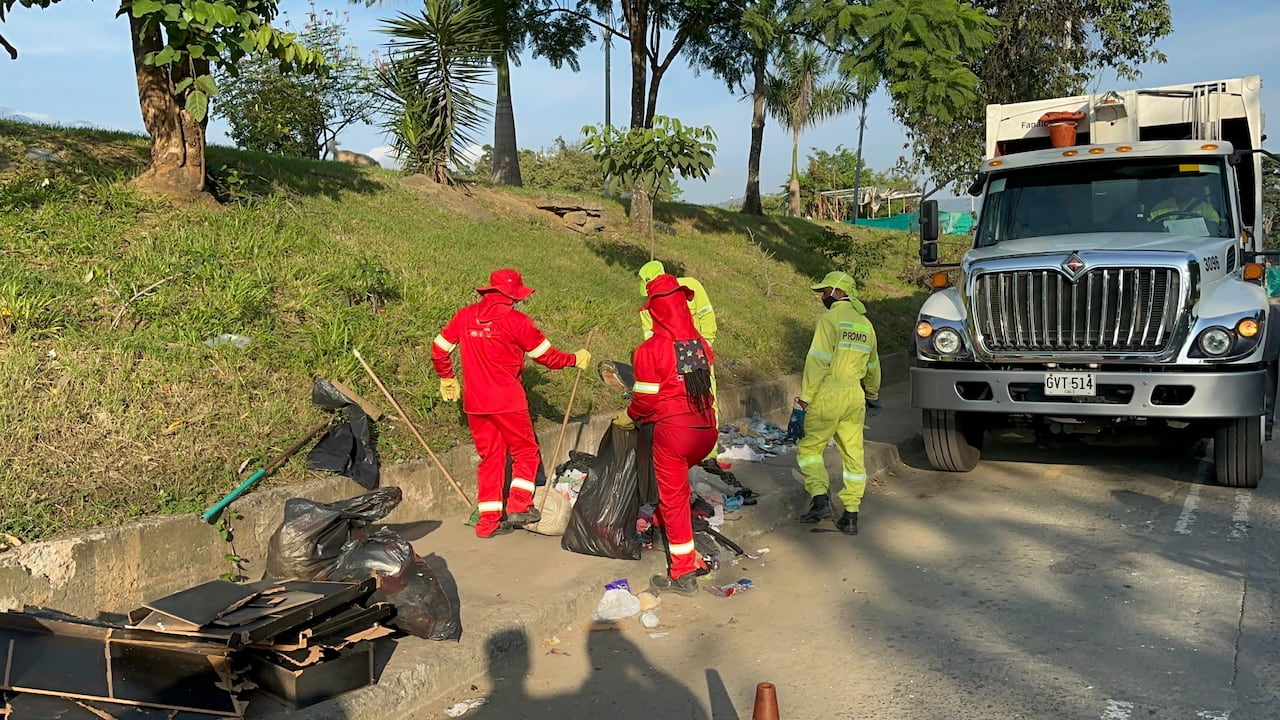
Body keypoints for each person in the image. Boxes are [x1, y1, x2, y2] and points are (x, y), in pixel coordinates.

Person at [431, 269, 591, 539]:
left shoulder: (465, 316)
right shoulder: (518, 321)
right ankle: (519, 505)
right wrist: (574, 359)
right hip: (508, 401)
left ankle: (488, 522)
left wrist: (447, 377)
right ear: (512, 296)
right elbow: (547, 357)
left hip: (475, 403)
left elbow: (439, 348)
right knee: (525, 451)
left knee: (490, 458)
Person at [614, 273, 718, 596]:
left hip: (674, 435)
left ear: (655, 311)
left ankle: (683, 573)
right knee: (672, 488)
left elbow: (645, 401)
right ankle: (665, 526)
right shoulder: (699, 344)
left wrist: (629, 418)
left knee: (672, 499)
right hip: (706, 431)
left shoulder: (651, 349)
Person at [795, 271, 882, 536]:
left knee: (809, 448)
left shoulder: (830, 319)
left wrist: (805, 397)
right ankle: (851, 515)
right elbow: (873, 365)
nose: (823, 296)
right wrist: (873, 394)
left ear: (839, 292)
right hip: (854, 397)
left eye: (825, 291)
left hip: (828, 394)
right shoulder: (866, 325)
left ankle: (820, 499)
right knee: (853, 454)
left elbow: (818, 360)